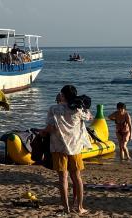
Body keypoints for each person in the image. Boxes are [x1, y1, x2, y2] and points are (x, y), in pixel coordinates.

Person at [44, 85, 91, 216]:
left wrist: (42, 133)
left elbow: (50, 128)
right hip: (75, 148)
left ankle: (66, 208)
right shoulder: (78, 109)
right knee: (77, 178)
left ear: (62, 95)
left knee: (62, 179)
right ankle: (80, 207)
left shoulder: (54, 109)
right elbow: (89, 117)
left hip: (58, 148)